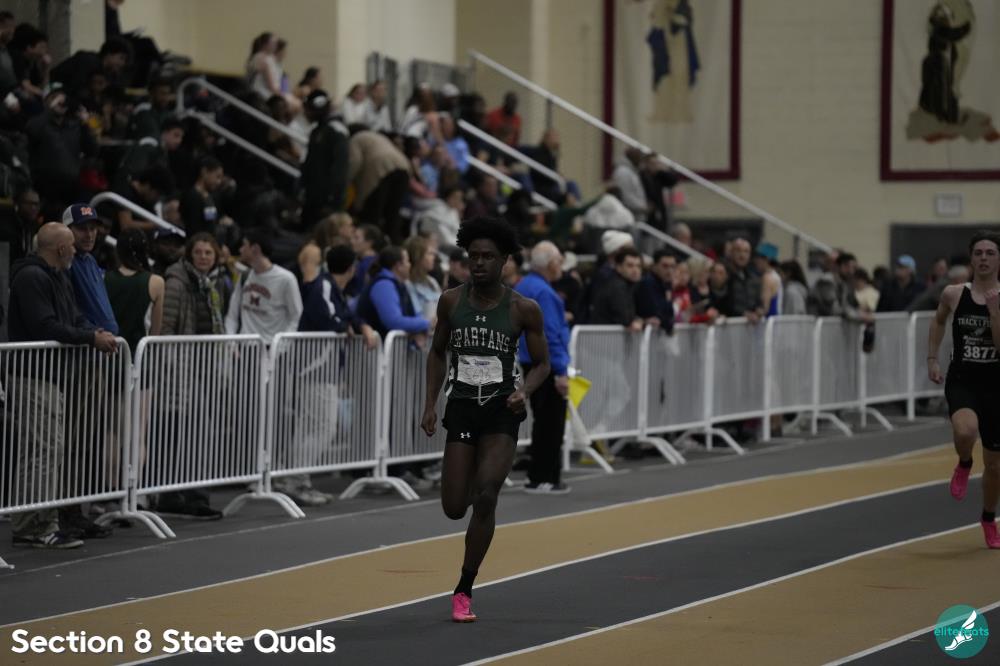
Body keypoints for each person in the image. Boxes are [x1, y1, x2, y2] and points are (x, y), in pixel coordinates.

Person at [420, 217, 550, 622]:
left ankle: (464, 587)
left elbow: (542, 364)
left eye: (487, 257)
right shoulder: (450, 301)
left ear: (504, 260)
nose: (478, 263)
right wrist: (430, 403)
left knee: (488, 494)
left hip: (500, 411)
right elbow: (437, 352)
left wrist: (524, 391)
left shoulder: (523, 309)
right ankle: (472, 478)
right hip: (461, 407)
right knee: (453, 507)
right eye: (472, 256)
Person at [7, 223, 118, 549]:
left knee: (47, 450)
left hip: (49, 375)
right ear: (60, 249)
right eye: (71, 244)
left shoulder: (56, 276)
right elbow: (46, 325)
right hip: (33, 375)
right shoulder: (33, 277)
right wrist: (89, 338)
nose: (76, 249)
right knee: (40, 451)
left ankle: (37, 523)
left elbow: (72, 317)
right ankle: (35, 525)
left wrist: (93, 332)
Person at [928, 231, 1000, 549]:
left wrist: (995, 311)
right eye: (978, 253)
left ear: (999, 259)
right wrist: (932, 358)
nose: (984, 258)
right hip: (963, 379)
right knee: (966, 430)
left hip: (996, 385)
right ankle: (965, 462)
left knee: (995, 466)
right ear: (971, 258)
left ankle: (988, 518)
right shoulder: (954, 294)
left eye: (990, 253)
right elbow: (938, 321)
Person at [515, 241, 571, 494]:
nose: (561, 265)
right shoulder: (544, 293)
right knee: (551, 423)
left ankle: (537, 476)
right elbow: (549, 334)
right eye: (559, 260)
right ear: (550, 264)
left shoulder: (524, 286)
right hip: (545, 365)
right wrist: (561, 371)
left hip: (529, 362)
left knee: (542, 421)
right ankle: (545, 477)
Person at [225, 229, 303, 345]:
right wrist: (231, 343)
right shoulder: (244, 276)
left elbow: (296, 316)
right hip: (245, 347)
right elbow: (232, 315)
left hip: (271, 347)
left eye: (244, 245)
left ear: (255, 248)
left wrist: (281, 347)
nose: (240, 250)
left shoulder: (286, 279)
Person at [104, 228, 165, 355]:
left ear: (118, 251)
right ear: (146, 250)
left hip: (109, 353)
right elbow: (155, 331)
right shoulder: (156, 282)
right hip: (140, 356)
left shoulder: (103, 278)